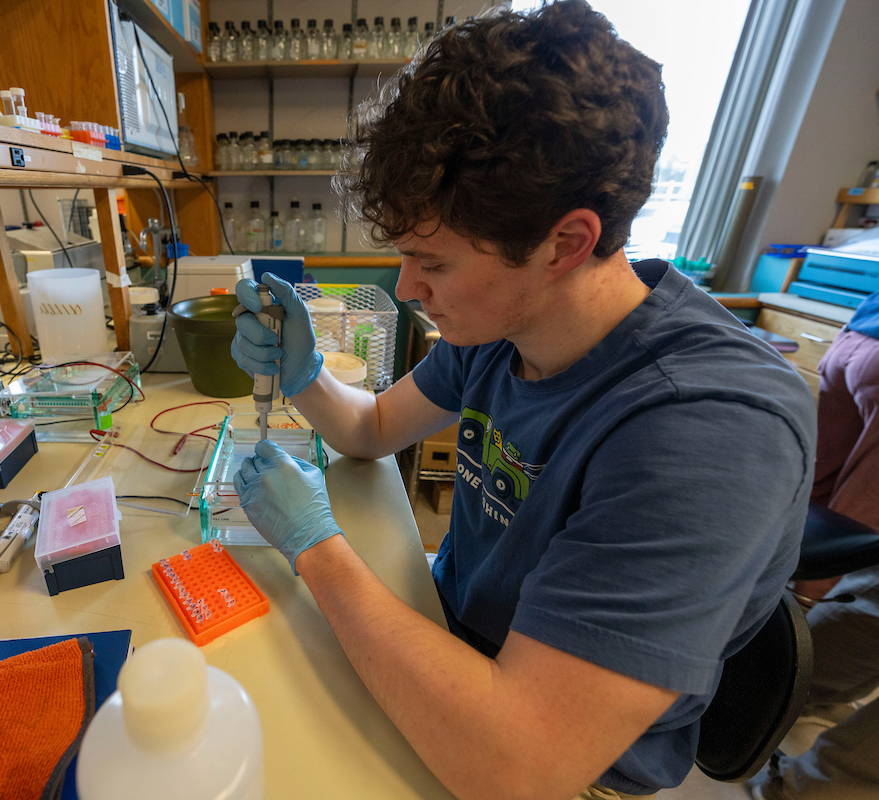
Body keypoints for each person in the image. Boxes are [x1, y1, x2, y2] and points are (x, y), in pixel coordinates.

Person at [229, 3, 817, 799]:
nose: (407, 289)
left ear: (565, 244)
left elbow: (518, 765)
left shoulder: (708, 430)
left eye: (432, 262)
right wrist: (304, 377)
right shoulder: (504, 328)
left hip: (557, 765)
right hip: (461, 645)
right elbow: (372, 428)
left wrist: (317, 548)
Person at [748, 291, 879, 800]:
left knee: (812, 510)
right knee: (855, 550)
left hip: (859, 338)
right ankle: (807, 785)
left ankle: (767, 686)